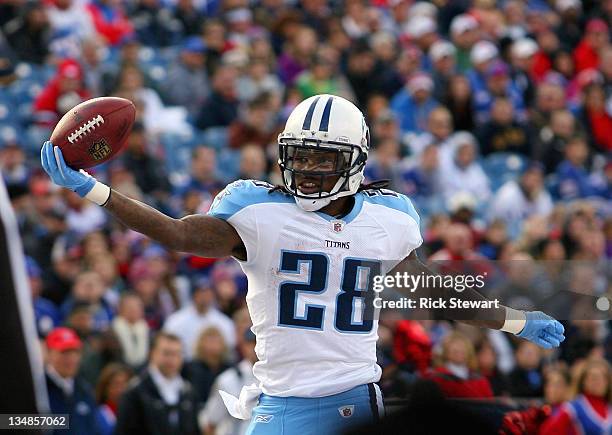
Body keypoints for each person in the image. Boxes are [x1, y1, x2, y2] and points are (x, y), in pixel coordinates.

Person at [41, 93, 565, 435]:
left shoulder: (390, 219)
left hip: (356, 398)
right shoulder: (259, 211)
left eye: (324, 158)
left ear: (356, 162)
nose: (308, 170)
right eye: (301, 155)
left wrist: (515, 321)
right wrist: (94, 190)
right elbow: (178, 233)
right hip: (281, 403)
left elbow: (437, 296)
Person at [114, 332, 200, 435]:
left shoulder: (188, 392)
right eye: (166, 353)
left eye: (177, 354)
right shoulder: (135, 392)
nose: (172, 359)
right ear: (152, 353)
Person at [199, 329, 258, 435]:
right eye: (253, 343)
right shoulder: (228, 379)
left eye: (260, 342)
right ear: (243, 346)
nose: (257, 347)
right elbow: (211, 422)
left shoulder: (280, 378)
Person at [45, 327, 102, 435]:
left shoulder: (84, 390)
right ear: (49, 353)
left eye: (75, 352)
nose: (71, 358)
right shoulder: (38, 389)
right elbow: (9, 422)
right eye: (64, 352)